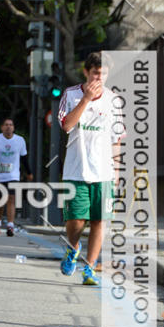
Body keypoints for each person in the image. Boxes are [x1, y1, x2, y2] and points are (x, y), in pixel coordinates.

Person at [58, 52, 119, 286]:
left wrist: (117, 172)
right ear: (86, 72)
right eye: (95, 73)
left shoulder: (114, 100)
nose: (99, 78)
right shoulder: (71, 94)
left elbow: (116, 139)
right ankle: (73, 247)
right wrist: (86, 99)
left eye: (103, 74)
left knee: (99, 221)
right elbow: (66, 126)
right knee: (76, 220)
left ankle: (90, 268)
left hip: (104, 172)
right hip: (76, 170)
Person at [0, 118, 33, 236]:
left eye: (11, 125)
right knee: (0, 201)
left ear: (13, 127)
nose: (8, 127)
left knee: (11, 198)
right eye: (6, 125)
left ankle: (10, 225)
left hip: (13, 175)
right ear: (2, 127)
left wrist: (29, 172)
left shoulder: (20, 140)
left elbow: (24, 158)